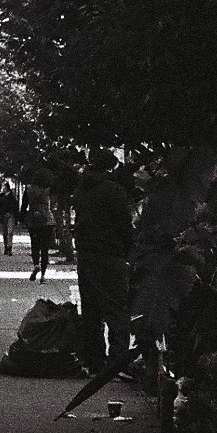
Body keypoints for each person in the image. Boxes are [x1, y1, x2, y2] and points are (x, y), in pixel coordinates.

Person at [72, 150, 134, 374]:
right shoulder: (113, 190)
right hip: (109, 253)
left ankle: (94, 360)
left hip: (86, 253)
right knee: (116, 309)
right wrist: (128, 250)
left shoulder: (81, 189)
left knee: (91, 309)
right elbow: (124, 224)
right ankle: (117, 361)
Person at [23, 183, 53, 280]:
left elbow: (24, 206)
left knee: (35, 245)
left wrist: (23, 219)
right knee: (45, 248)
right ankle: (43, 275)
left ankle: (36, 264)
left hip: (33, 220)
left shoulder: (29, 189)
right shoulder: (48, 188)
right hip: (47, 220)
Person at [0, 180, 19, 256]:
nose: (3, 188)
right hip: (3, 215)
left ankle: (9, 247)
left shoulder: (12, 196)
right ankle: (6, 246)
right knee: (5, 232)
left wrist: (16, 217)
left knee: (10, 232)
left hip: (10, 215)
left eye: (4, 187)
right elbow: (0, 202)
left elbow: (15, 206)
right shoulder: (1, 196)